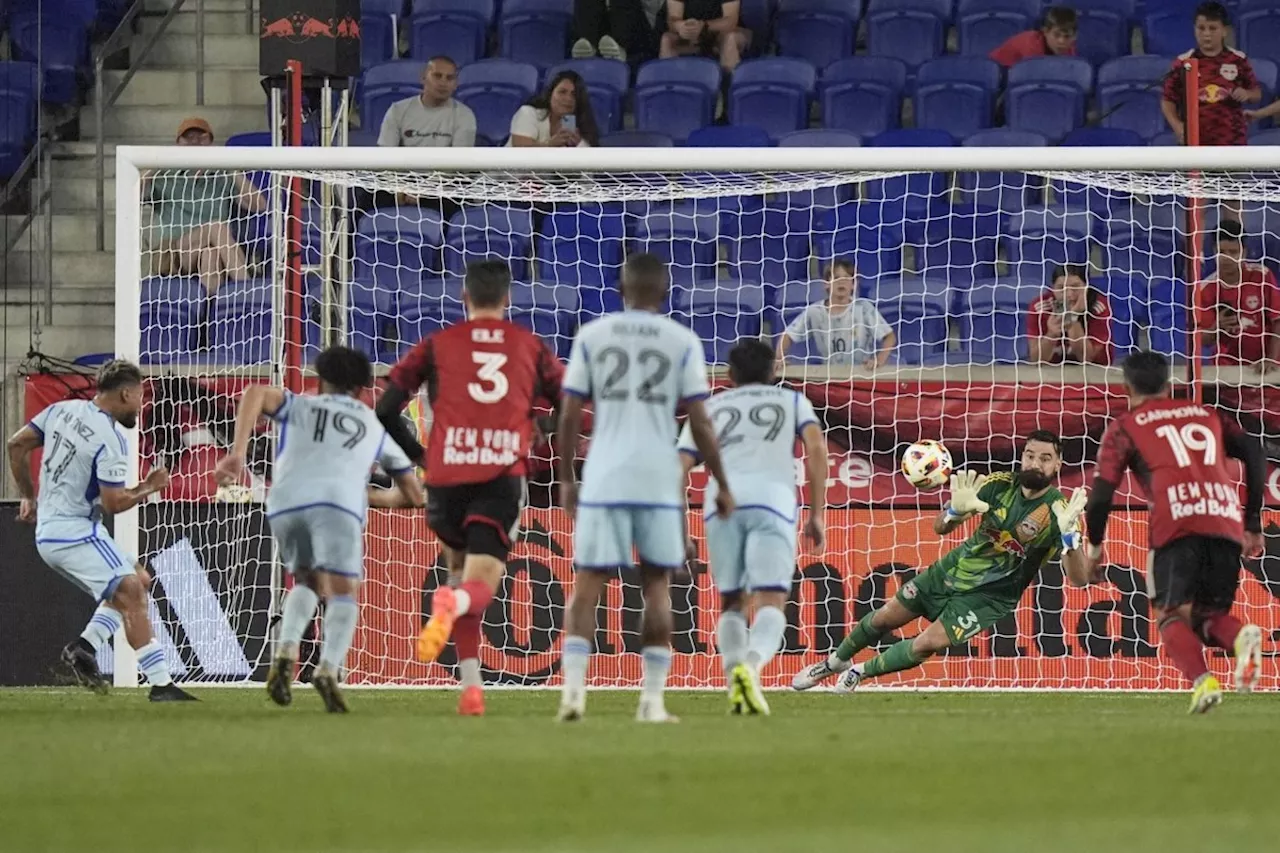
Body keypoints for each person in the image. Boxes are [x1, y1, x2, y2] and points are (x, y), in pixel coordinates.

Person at [374, 260, 565, 717]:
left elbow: (384, 409)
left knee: (459, 571)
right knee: (477, 586)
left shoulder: (436, 344)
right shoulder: (530, 345)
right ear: (507, 300)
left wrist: (419, 456)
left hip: (445, 478)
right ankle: (453, 603)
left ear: (464, 298)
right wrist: (541, 424)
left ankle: (472, 688)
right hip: (499, 475)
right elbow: (575, 400)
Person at [556, 252, 735, 723]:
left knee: (587, 584)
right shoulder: (681, 340)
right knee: (657, 586)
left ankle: (573, 696)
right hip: (657, 477)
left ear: (621, 288)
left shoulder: (592, 336)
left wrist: (566, 478)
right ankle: (651, 703)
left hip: (605, 474)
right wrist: (720, 481)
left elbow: (570, 413)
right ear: (664, 291)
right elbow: (699, 421)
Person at [791, 431, 1092, 693]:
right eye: (1029, 455)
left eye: (1045, 458)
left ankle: (859, 673)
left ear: (1057, 465)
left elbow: (1078, 579)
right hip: (948, 572)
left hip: (989, 597)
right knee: (883, 617)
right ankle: (833, 662)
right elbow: (940, 527)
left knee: (927, 644)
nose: (1035, 464)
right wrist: (955, 513)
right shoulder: (997, 484)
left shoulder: (1061, 512)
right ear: (1022, 457)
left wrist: (1070, 539)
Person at [215, 347, 424, 713]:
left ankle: (285, 651)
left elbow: (254, 394)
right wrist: (366, 497)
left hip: (285, 501)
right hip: (338, 505)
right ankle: (327, 669)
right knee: (343, 592)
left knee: (308, 580)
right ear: (363, 388)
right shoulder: (372, 425)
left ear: (320, 377)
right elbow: (413, 493)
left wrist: (237, 452)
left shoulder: (301, 405)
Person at [1085, 351, 1267, 714]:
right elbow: (1253, 451)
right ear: (1169, 383)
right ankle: (1240, 638)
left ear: (1126, 387)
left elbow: (1103, 492)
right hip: (1224, 517)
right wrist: (1252, 521)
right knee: (1206, 616)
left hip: (1176, 523)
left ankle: (1203, 682)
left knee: (1169, 615)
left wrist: (1094, 544)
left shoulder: (1126, 426)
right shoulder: (1206, 414)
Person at [6, 360, 196, 701]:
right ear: (125, 392)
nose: (141, 404)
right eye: (139, 396)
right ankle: (162, 685)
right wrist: (149, 487)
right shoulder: (111, 439)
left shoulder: (60, 410)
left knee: (139, 579)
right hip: (76, 532)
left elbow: (15, 445)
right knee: (132, 590)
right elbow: (113, 503)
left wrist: (28, 497)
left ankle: (84, 646)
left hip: (50, 531)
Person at [677, 338, 827, 715]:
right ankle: (752, 666)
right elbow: (816, 448)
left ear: (729, 375)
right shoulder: (792, 401)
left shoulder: (709, 408)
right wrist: (817, 513)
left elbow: (677, 468)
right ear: (773, 371)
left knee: (731, 601)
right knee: (772, 600)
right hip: (772, 502)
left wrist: (680, 529)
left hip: (721, 503)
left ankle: (733, 679)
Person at [143, 117, 267, 293]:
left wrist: (230, 167)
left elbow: (259, 205)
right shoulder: (166, 174)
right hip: (172, 252)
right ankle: (247, 292)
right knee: (216, 228)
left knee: (211, 256)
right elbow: (134, 193)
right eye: (189, 138)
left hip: (210, 249)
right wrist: (157, 162)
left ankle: (209, 316)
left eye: (201, 138)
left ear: (210, 142)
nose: (195, 142)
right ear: (178, 143)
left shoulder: (221, 175)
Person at [1161, 2, 1261, 147]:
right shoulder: (1183, 62)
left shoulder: (1238, 60)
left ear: (1224, 31)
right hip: (1196, 142)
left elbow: (1256, 93)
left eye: (1213, 28)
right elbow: (1167, 100)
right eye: (1201, 28)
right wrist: (1177, 125)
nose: (1206, 34)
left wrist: (1247, 93)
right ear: (1194, 30)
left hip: (1232, 142)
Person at [775, 258, 895, 369]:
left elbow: (890, 337)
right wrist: (779, 358)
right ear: (826, 283)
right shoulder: (814, 311)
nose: (841, 282)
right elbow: (787, 335)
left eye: (846, 278)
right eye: (836, 277)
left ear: (854, 284)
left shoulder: (864, 308)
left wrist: (879, 359)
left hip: (862, 374)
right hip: (830, 376)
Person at [1195, 219, 1280, 370]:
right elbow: (1201, 340)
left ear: (1244, 252)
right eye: (1222, 252)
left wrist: (1270, 360)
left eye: (1233, 252)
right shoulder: (1205, 289)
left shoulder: (1262, 276)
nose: (1227, 258)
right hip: (1227, 369)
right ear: (1214, 251)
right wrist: (1216, 329)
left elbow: (1277, 321)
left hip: (1266, 365)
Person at [377, 56, 477, 149]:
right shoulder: (397, 111)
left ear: (455, 84)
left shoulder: (464, 115)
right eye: (437, 76)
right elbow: (385, 156)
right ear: (423, 78)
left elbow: (460, 162)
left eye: (449, 78)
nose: (443, 83)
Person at [1027, 264, 1114, 366]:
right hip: (1052, 371)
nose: (1068, 294)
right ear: (1053, 289)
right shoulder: (1040, 307)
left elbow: (1086, 358)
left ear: (1086, 287)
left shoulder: (1099, 307)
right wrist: (1052, 334)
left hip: (1095, 370)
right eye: (1061, 287)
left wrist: (1072, 315)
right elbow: (1036, 360)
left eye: (1075, 287)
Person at [508, 70, 600, 148]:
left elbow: (593, 163)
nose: (568, 99)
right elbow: (520, 152)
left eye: (574, 94)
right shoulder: (528, 113)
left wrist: (579, 144)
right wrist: (550, 145)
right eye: (562, 92)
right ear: (550, 94)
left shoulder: (582, 128)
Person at [660, 0, 749, 73]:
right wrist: (680, 26)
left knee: (730, 38)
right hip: (692, 36)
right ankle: (670, 87)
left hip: (723, 33)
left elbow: (730, 21)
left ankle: (730, 87)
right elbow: (673, 19)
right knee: (667, 39)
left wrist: (703, 26)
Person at [989, 5, 1078, 68]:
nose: (1061, 41)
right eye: (1056, 35)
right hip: (999, 69)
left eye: (1067, 36)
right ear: (1045, 32)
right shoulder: (1032, 45)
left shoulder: (1069, 49)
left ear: (1074, 37)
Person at [572, 0, 663, 61]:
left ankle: (620, 47)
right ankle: (588, 45)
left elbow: (656, 9)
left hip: (643, 32)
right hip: (604, 29)